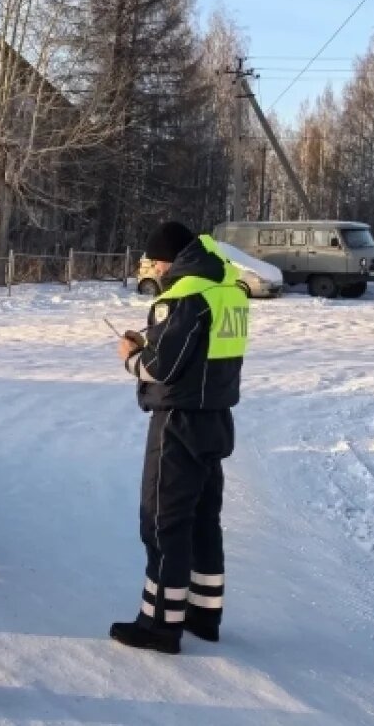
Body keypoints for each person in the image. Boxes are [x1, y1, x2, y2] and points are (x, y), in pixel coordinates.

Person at [109, 221, 249, 655]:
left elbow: (162, 368)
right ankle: (203, 615)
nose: (151, 267)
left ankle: (159, 626)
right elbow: (199, 349)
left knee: (163, 522)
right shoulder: (228, 289)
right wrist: (153, 338)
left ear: (168, 259)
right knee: (204, 521)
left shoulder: (184, 295)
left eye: (152, 259)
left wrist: (133, 356)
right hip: (216, 417)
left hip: (179, 422)